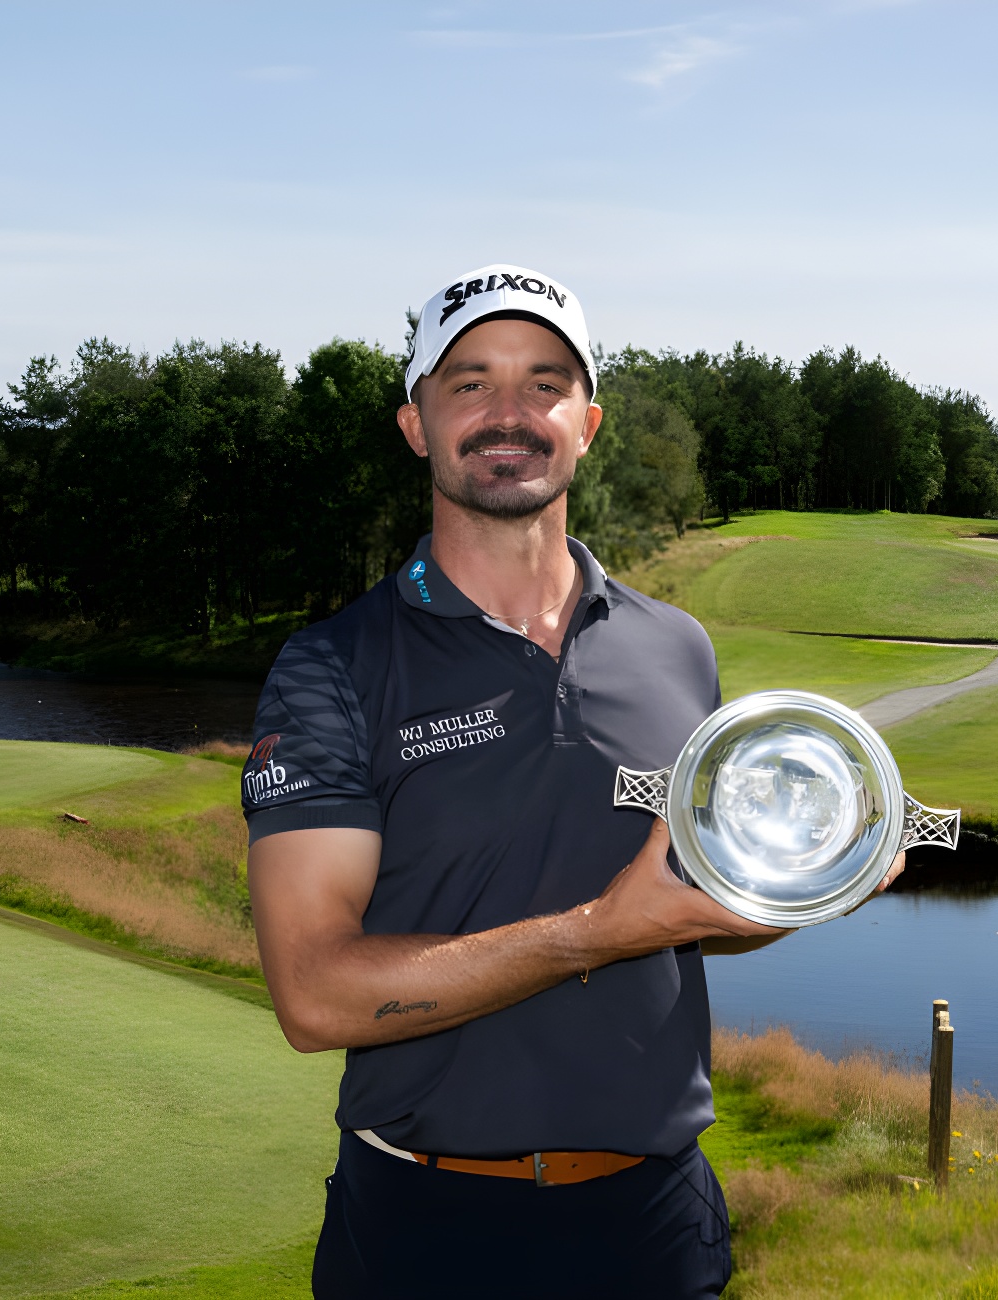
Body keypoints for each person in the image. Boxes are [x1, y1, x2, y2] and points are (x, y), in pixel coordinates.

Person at [242, 264, 901, 1298]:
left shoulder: (673, 648)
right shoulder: (331, 665)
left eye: (543, 383)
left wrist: (809, 881)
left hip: (652, 1221)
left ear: (585, 423)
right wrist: (595, 931)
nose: (510, 413)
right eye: (467, 383)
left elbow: (686, 912)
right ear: (414, 423)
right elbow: (314, 995)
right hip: (426, 1226)